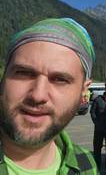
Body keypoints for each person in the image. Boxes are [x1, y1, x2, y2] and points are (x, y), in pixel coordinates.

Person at [0, 18, 97, 174]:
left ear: (83, 91)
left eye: (60, 80)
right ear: (4, 78)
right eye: (24, 73)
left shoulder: (85, 163)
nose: (38, 95)